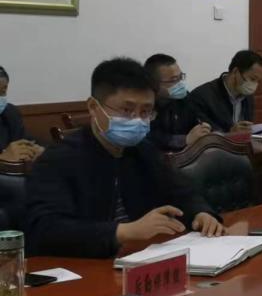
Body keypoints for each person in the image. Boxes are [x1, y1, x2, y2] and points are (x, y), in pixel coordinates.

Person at [24, 58, 224, 258]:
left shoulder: (143, 150)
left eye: (145, 112)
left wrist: (200, 213)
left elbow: (182, 191)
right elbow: (45, 229)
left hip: (137, 257)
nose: (137, 120)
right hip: (83, 264)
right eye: (126, 110)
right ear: (93, 107)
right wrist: (123, 231)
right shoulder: (58, 159)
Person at [144, 54, 211, 152]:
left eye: (181, 77)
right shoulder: (143, 104)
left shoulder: (184, 98)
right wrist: (185, 139)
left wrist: (204, 128)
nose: (180, 84)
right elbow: (148, 137)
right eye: (174, 80)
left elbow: (197, 118)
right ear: (153, 83)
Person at [188, 50, 262, 133]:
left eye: (258, 81)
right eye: (252, 79)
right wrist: (229, 134)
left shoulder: (248, 96)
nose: (254, 85)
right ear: (235, 72)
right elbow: (201, 135)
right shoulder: (202, 97)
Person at [0, 66, 44, 163]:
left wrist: (37, 150)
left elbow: (25, 140)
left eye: (2, 92)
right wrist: (2, 159)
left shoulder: (10, 113)